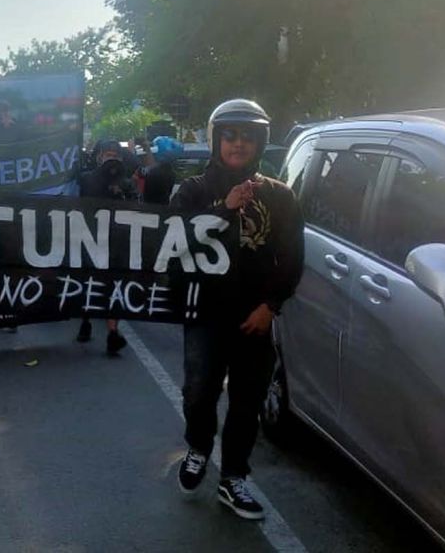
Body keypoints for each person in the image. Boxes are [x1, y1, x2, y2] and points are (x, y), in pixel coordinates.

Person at [171, 99, 304, 520]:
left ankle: (233, 477)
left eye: (248, 136)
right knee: (198, 393)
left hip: (255, 318)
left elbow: (292, 258)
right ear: (216, 139)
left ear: (260, 141)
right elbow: (174, 245)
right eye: (230, 135)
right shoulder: (192, 191)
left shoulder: (280, 196)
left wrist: (271, 305)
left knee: (247, 401)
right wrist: (223, 209)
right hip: (204, 314)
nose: (238, 143)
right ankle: (198, 448)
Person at [76, 139, 138, 356]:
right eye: (107, 154)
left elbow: (137, 208)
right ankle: (85, 321)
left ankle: (112, 332)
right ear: (99, 157)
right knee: (89, 283)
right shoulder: (87, 178)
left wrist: (123, 192)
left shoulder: (126, 182)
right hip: (91, 238)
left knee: (114, 286)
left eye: (115, 155)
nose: (111, 158)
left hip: (116, 242)